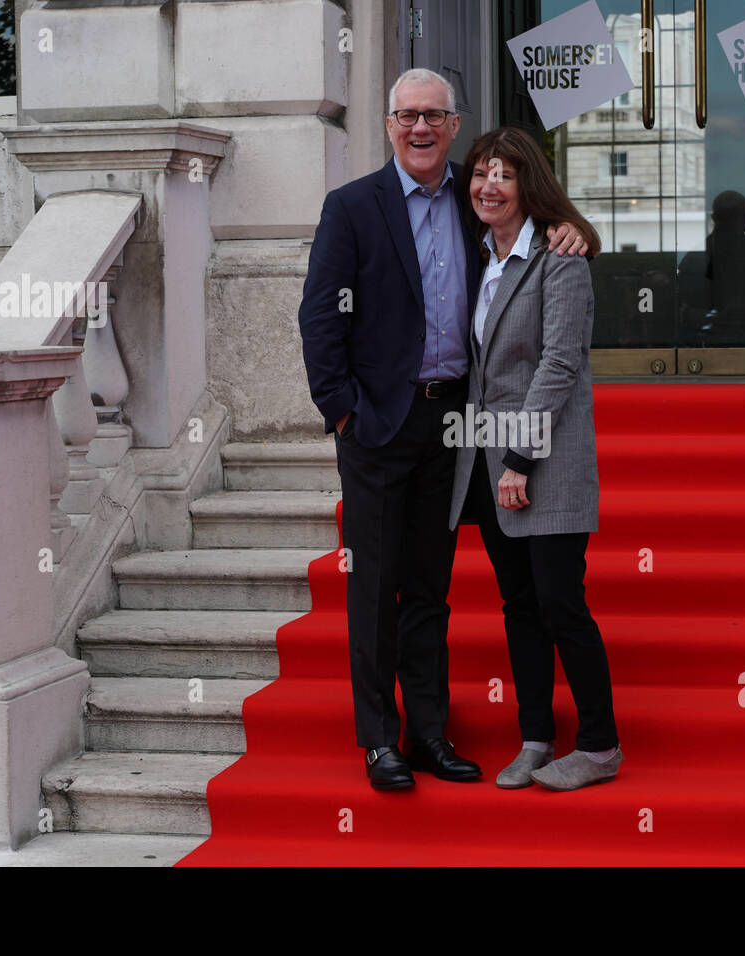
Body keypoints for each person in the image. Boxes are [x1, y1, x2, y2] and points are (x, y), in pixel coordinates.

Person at [297, 69, 587, 791]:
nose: (420, 129)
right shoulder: (352, 206)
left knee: (431, 586)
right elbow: (319, 318)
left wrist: (570, 228)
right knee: (375, 587)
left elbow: (530, 221)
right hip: (378, 423)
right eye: (407, 116)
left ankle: (429, 731)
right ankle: (379, 741)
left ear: (455, 125)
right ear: (388, 124)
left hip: (457, 424)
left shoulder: (474, 196)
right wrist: (341, 410)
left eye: (434, 116)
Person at [447, 127, 622, 792]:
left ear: (529, 187)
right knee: (518, 606)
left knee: (558, 603)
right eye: (480, 173)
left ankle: (601, 745)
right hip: (487, 465)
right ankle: (535, 739)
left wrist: (520, 458)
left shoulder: (560, 258)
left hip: (542, 462)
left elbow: (558, 363)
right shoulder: (478, 259)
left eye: (504, 175)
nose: (488, 185)